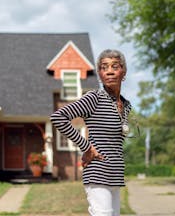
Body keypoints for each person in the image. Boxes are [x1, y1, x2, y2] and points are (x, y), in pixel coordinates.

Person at [50, 49, 132, 216]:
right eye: (104, 67)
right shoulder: (94, 98)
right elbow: (59, 117)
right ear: (100, 74)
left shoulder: (125, 105)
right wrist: (86, 147)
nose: (109, 71)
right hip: (97, 171)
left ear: (123, 71)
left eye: (114, 66)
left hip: (115, 173)